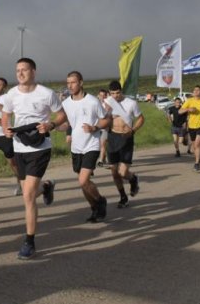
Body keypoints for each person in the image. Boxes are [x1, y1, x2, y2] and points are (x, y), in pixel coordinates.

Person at [0, 58, 67, 260]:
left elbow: (62, 115)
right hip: (20, 147)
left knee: (28, 195)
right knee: (29, 192)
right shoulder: (11, 94)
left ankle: (29, 241)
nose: (20, 73)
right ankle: (46, 187)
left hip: (40, 147)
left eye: (24, 70)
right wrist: (6, 129)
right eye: (17, 70)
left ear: (34, 72)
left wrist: (51, 126)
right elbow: (5, 115)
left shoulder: (46, 94)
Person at [57, 71, 110, 223]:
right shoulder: (66, 103)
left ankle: (100, 200)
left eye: (73, 82)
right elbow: (68, 124)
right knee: (83, 184)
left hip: (91, 145)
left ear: (81, 83)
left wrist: (94, 128)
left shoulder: (93, 101)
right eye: (68, 83)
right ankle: (94, 208)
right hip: (76, 147)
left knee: (83, 180)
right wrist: (54, 126)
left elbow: (106, 120)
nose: (70, 86)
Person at [103, 80, 144, 208]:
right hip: (112, 137)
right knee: (114, 172)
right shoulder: (106, 103)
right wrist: (108, 115)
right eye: (113, 93)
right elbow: (102, 121)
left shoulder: (131, 103)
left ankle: (132, 179)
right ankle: (123, 196)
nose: (116, 96)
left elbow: (141, 118)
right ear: (109, 93)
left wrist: (133, 130)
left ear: (121, 91)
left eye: (118, 92)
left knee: (123, 172)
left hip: (126, 137)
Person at [178, 85, 200, 171]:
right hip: (192, 126)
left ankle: (196, 163)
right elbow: (180, 111)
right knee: (194, 147)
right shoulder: (189, 101)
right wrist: (188, 109)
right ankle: (198, 159)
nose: (196, 91)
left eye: (198, 90)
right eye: (194, 90)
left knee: (197, 144)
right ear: (193, 92)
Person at [96, 88, 111, 167]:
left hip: (105, 127)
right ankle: (104, 158)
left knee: (103, 144)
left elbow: (105, 115)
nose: (102, 97)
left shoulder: (108, 105)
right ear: (98, 96)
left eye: (104, 95)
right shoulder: (95, 104)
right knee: (100, 145)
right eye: (101, 95)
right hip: (97, 127)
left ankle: (101, 160)